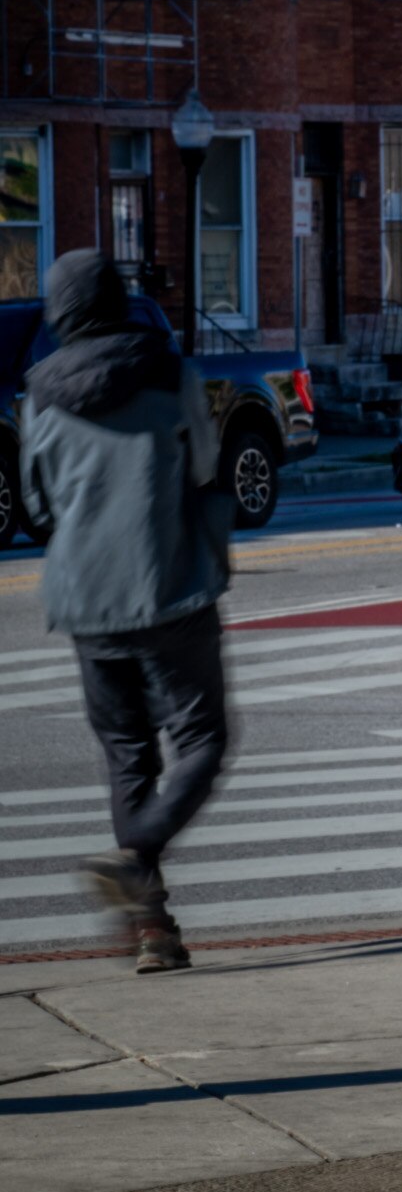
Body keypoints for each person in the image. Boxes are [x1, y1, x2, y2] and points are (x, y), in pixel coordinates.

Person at [27, 249, 232, 975]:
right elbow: (207, 469)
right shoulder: (171, 374)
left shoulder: (39, 395)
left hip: (83, 599)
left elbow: (36, 502)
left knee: (127, 753)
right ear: (120, 302)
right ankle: (136, 855)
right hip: (170, 584)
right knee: (204, 740)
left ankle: (155, 931)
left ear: (61, 312)